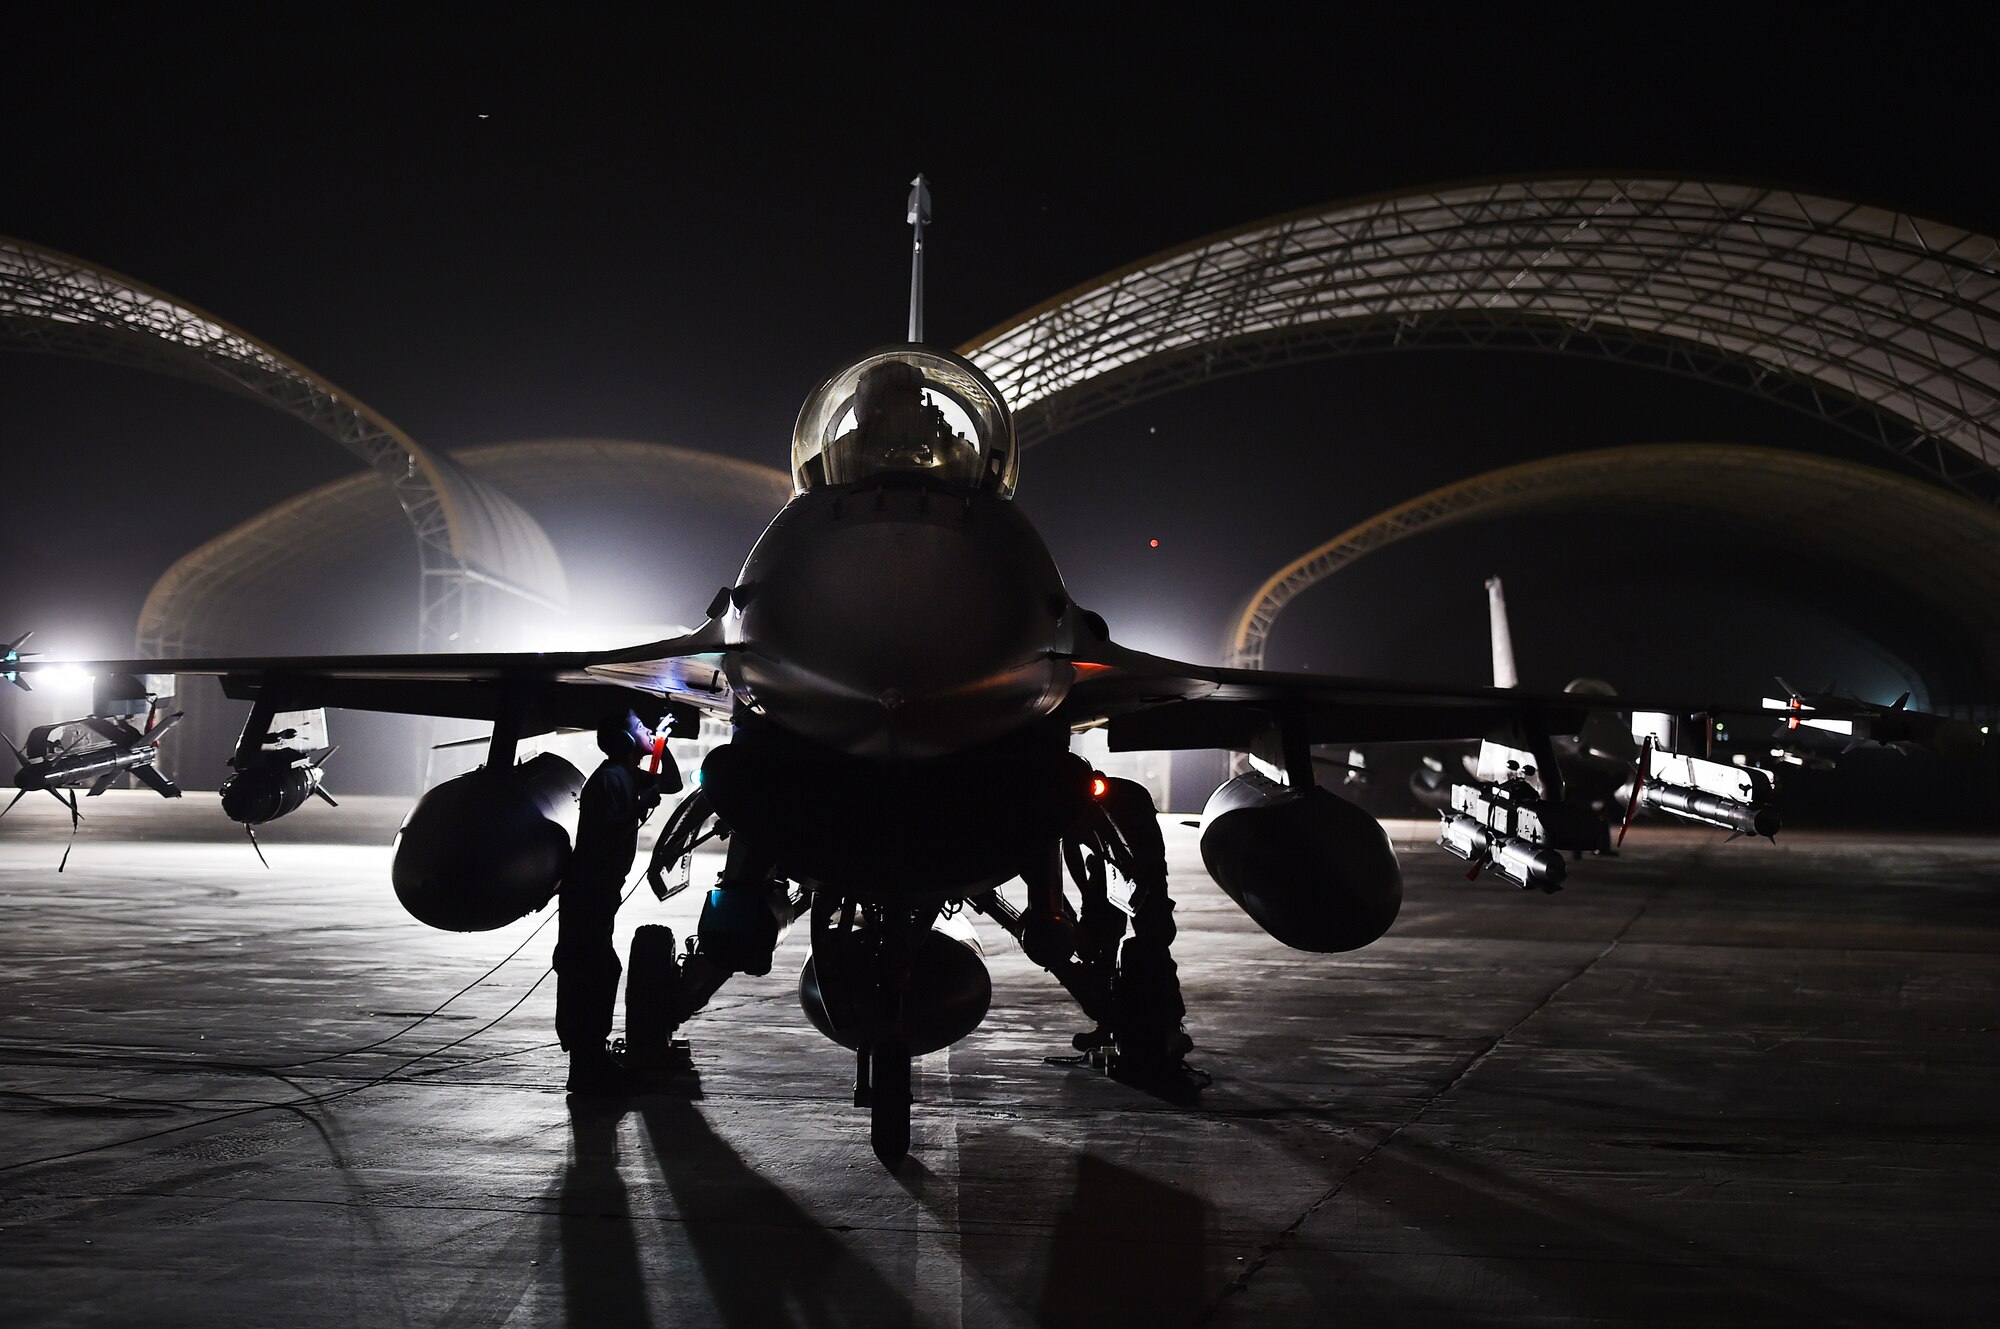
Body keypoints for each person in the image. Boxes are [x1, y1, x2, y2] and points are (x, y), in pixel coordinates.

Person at [556, 709, 678, 1094]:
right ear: (625, 742)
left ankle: (592, 1061)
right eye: (640, 729)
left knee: (598, 969)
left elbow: (669, 782)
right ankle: (587, 1066)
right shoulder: (611, 778)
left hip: (600, 891)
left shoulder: (625, 775)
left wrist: (660, 742)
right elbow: (614, 822)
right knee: (590, 971)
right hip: (588, 892)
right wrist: (644, 798)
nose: (647, 732)